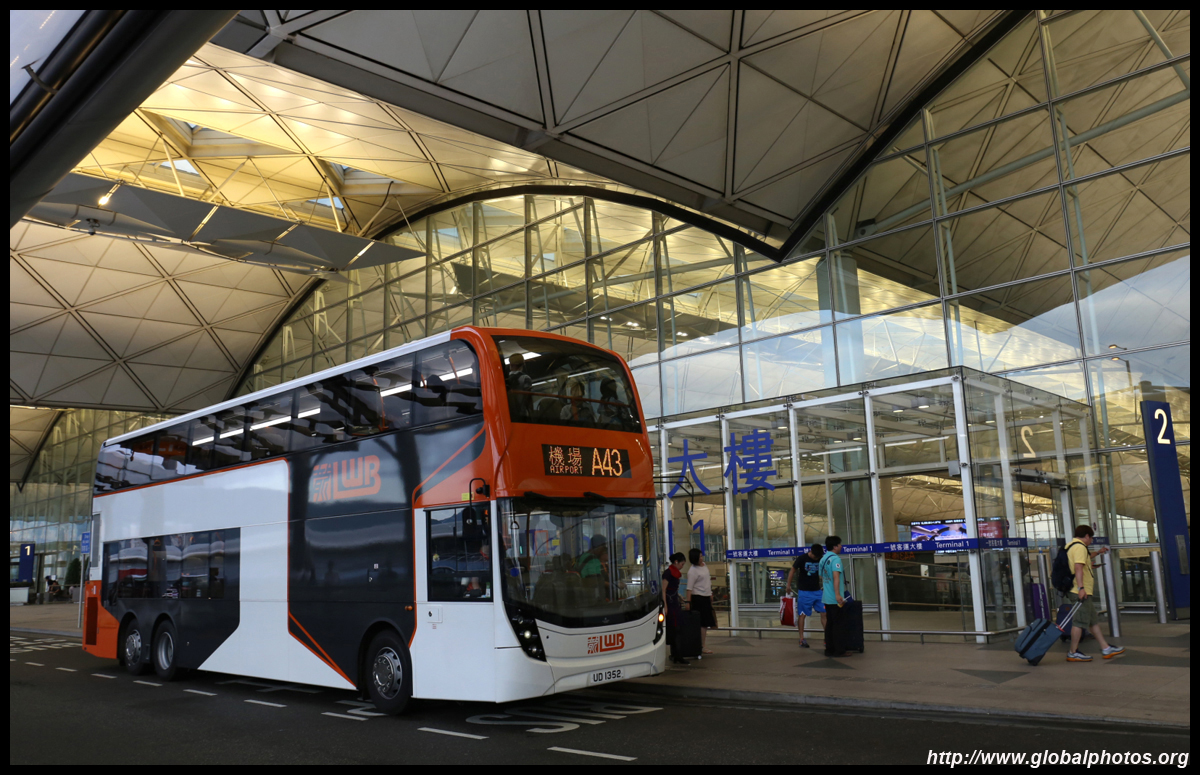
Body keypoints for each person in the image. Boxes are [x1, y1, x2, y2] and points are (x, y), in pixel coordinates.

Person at [1066, 525, 1125, 662]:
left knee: (1092, 621)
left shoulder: (1071, 546)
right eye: (1091, 538)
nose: (1091, 540)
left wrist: (1097, 553)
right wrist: (1081, 588)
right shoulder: (1080, 547)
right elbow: (1078, 567)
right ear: (1087, 536)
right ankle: (1073, 652)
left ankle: (1106, 648)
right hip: (1080, 591)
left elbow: (1083, 561)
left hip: (1079, 590)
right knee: (1079, 622)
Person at [785, 543, 826, 648]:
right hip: (804, 592)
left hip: (817, 591)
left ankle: (827, 638)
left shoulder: (820, 558)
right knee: (802, 615)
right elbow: (792, 570)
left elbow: (823, 572)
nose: (816, 558)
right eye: (815, 556)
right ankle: (801, 639)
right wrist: (788, 585)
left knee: (824, 613)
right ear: (811, 552)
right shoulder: (802, 558)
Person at [819, 535, 852, 658]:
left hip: (826, 597)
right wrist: (838, 594)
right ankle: (840, 650)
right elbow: (836, 577)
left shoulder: (823, 559)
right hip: (835, 598)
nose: (841, 546)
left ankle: (829, 649)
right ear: (835, 546)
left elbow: (822, 577)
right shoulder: (835, 559)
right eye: (839, 544)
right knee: (838, 625)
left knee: (830, 624)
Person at [685, 548, 716, 656]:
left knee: (705, 623)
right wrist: (688, 602)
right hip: (698, 598)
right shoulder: (692, 571)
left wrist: (710, 593)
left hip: (706, 597)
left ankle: (702, 645)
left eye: (702, 556)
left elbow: (707, 581)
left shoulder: (704, 565)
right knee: (702, 623)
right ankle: (702, 646)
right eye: (700, 557)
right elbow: (689, 588)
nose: (702, 558)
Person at [661, 552, 688, 665]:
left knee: (676, 628)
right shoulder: (668, 573)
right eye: (682, 564)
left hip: (674, 601)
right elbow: (663, 590)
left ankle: (676, 654)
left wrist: (679, 597)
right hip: (670, 603)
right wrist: (665, 605)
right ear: (676, 562)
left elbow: (673, 590)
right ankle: (677, 655)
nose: (682, 566)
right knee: (675, 628)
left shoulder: (674, 573)